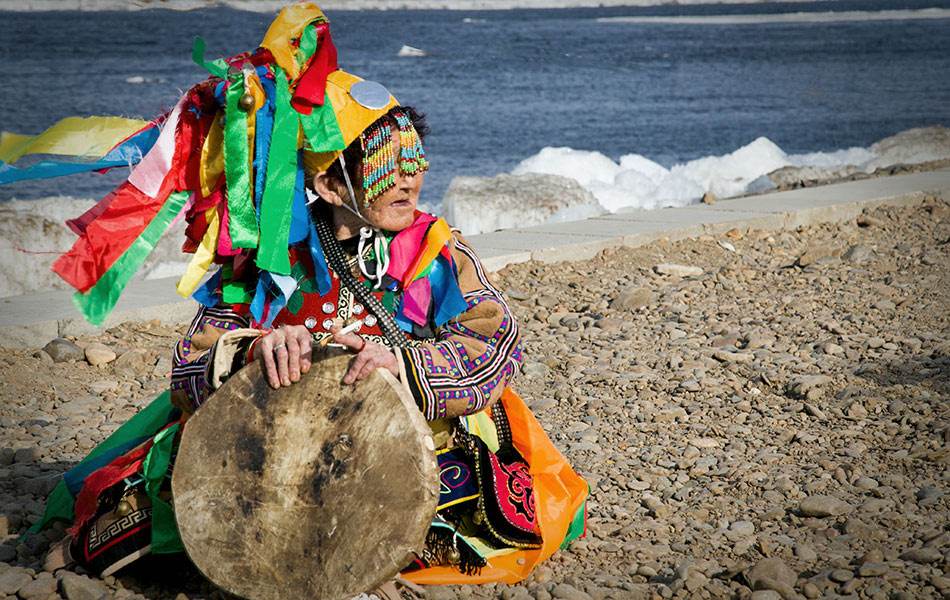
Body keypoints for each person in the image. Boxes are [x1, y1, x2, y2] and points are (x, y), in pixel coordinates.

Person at [26, 2, 588, 595]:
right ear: (326, 183)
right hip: (276, 436)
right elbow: (196, 355)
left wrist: (405, 362)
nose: (409, 181)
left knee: (469, 513)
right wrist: (259, 346)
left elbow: (495, 337)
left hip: (413, 424)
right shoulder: (274, 254)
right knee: (150, 512)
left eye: (415, 161)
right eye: (384, 167)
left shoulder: (433, 252)